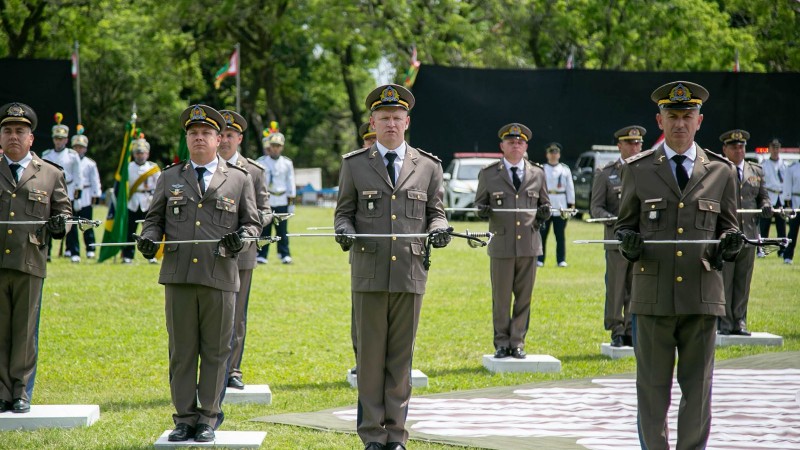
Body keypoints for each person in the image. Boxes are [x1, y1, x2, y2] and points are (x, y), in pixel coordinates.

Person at [615, 81, 742, 450]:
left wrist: (729, 247)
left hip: (701, 297)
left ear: (699, 121)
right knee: (652, 392)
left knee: (698, 390)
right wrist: (630, 244)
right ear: (660, 119)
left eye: (688, 116)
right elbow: (625, 225)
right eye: (673, 116)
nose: (680, 124)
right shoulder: (638, 169)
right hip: (652, 299)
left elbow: (729, 228)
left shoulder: (720, 171)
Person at [334, 84, 450, 450]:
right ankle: (372, 435)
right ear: (373, 121)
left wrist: (439, 230)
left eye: (397, 118)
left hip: (410, 273)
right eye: (383, 118)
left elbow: (437, 213)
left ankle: (396, 435)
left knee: (401, 360)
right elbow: (343, 214)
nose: (390, 124)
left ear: (407, 122)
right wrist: (344, 232)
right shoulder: (354, 165)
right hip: (368, 272)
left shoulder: (428, 166)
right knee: (369, 360)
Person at [137, 104, 261, 443]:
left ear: (219, 139)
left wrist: (242, 240)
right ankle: (184, 418)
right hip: (178, 276)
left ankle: (208, 417)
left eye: (206, 133)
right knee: (182, 351)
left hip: (219, 275)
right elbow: (154, 220)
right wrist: (148, 240)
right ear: (187, 139)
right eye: (193, 133)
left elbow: (253, 223)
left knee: (217, 350)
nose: (199, 138)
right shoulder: (170, 177)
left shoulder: (238, 179)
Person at [0, 102, 71, 413]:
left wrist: (61, 225)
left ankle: (21, 392)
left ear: (31, 138)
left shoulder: (50, 174)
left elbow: (64, 214)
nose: (13, 136)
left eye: (20, 131)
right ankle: (2, 391)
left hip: (30, 260)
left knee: (25, 330)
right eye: (7, 130)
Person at [474, 123, 550, 359]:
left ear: (526, 146)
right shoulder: (489, 174)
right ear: (502, 146)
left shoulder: (537, 173)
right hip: (502, 244)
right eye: (511, 142)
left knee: (524, 297)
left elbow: (544, 203)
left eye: (520, 142)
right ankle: (501, 343)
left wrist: (545, 212)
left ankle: (517, 342)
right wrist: (483, 211)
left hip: (529, 244)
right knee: (501, 297)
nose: (515, 145)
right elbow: (479, 204)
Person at [218, 109, 272, 389]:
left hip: (242, 253)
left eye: (230, 135)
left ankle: (232, 370)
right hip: (210, 252)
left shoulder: (254, 171)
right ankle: (213, 369)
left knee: (237, 314)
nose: (225, 140)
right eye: (221, 134)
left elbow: (265, 211)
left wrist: (247, 230)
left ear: (239, 138)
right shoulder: (206, 167)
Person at [590, 125, 645, 347]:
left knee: (636, 286)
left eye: (638, 143)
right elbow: (596, 208)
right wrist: (617, 221)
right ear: (619, 145)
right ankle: (616, 329)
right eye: (630, 143)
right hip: (616, 241)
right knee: (615, 287)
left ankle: (632, 329)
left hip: (640, 240)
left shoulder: (647, 171)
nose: (635, 147)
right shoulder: (606, 173)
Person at [718, 129, 770, 336]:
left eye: (741, 146)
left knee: (743, 280)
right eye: (733, 146)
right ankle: (724, 322)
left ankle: (739, 321)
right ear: (725, 149)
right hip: (726, 234)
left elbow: (763, 196)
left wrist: (766, 205)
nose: (738, 150)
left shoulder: (755, 171)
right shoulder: (719, 170)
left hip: (748, 234)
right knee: (725, 281)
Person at [349, 122, 379, 375]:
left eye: (374, 140)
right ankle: (362, 359)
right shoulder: (356, 167)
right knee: (361, 312)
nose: (371, 144)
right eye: (368, 141)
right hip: (364, 251)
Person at [41, 112, 82, 261]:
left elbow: (78, 176)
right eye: (56, 139)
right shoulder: (46, 155)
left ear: (66, 140)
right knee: (48, 220)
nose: (59, 141)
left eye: (61, 139)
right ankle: (47, 252)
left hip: (68, 189)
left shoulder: (72, 155)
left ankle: (74, 251)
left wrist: (78, 196)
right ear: (53, 139)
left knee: (69, 221)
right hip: (50, 190)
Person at [256, 131, 295, 264]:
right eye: (273, 145)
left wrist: (291, 203)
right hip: (267, 199)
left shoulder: (287, 163)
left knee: (282, 229)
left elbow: (291, 183)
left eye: (278, 145)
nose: (276, 148)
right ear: (269, 146)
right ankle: (262, 254)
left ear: (282, 147)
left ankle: (284, 254)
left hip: (282, 198)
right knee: (265, 228)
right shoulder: (261, 162)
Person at [123, 136, 160, 264]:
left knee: (150, 231)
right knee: (130, 230)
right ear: (134, 154)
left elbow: (159, 186)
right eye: (138, 153)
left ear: (147, 154)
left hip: (148, 201)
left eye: (143, 153)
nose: (140, 155)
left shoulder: (153, 168)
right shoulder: (128, 167)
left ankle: (151, 255)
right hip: (133, 201)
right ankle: (128, 255)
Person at [538, 142, 574, 267]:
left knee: (560, 235)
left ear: (559, 155)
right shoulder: (542, 169)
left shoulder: (565, 169)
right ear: (547, 155)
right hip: (546, 202)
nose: (553, 155)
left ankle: (561, 260)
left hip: (560, 203)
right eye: (551, 153)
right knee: (542, 234)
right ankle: (540, 259)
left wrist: (571, 204)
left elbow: (570, 188)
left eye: (555, 153)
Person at [71, 126, 102, 259]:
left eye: (81, 147)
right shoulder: (70, 160)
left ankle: (90, 247)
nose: (79, 149)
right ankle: (73, 250)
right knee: (71, 223)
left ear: (85, 148)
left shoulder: (90, 163)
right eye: (76, 147)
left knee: (87, 222)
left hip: (86, 194)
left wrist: (96, 195)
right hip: (72, 193)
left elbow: (95, 180)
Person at [759, 138, 788, 258]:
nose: (775, 150)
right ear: (769, 149)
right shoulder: (764, 165)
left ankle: (782, 251)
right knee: (764, 225)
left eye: (777, 148)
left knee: (781, 227)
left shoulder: (784, 164)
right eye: (773, 148)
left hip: (781, 197)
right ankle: (762, 250)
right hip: (769, 196)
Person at [783, 155, 800, 265]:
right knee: (793, 231)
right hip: (796, 202)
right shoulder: (792, 168)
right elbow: (787, 186)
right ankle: (788, 256)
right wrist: (788, 204)